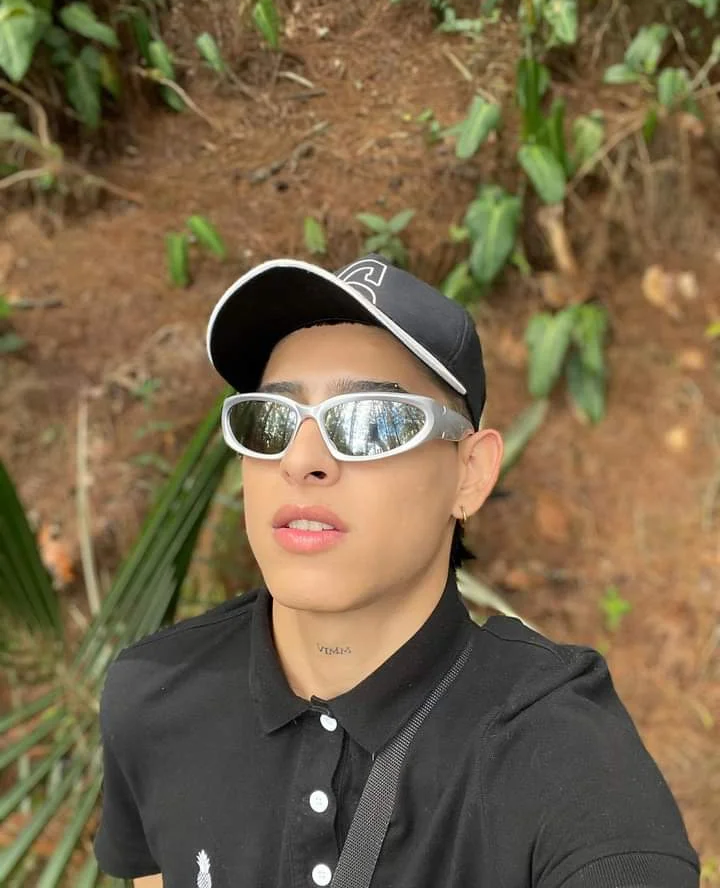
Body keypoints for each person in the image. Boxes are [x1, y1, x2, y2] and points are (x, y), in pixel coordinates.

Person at [94, 254, 701, 888]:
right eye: (270, 421)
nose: (302, 461)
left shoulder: (560, 756)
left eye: (370, 423)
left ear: (470, 473)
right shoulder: (156, 694)